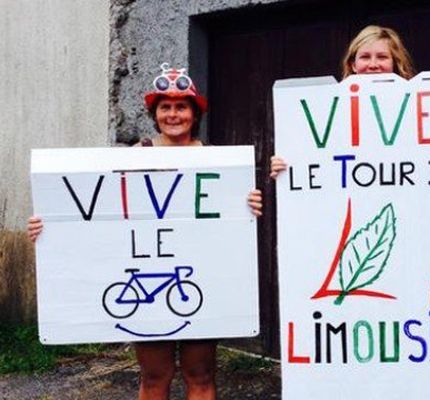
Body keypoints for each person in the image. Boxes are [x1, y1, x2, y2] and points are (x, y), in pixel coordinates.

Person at [28, 63, 263, 400]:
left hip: (202, 277)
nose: (173, 114)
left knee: (201, 374)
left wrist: (249, 204)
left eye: (181, 106)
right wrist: (49, 225)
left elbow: (232, 218)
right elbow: (94, 209)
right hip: (147, 269)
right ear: (155, 114)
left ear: (194, 114)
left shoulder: (218, 160)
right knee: (155, 375)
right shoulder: (136, 157)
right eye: (164, 107)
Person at [270, 25, 430, 177]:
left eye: (382, 57)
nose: (373, 64)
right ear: (353, 65)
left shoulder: (421, 109)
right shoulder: (329, 113)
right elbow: (320, 163)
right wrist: (288, 167)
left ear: (395, 63)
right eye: (365, 57)